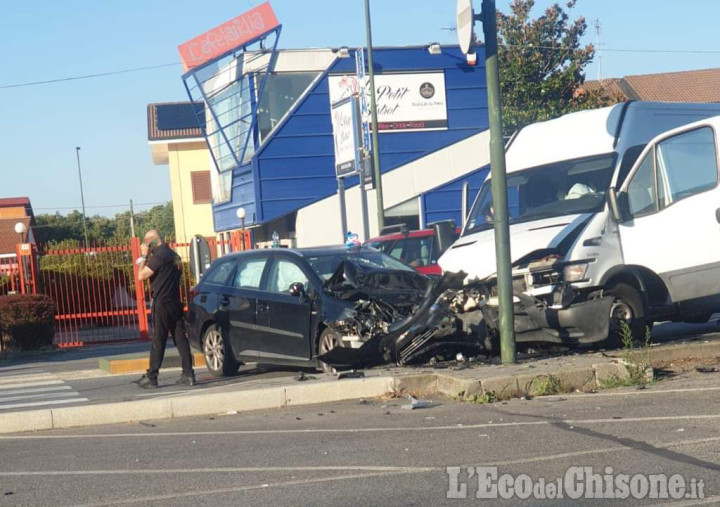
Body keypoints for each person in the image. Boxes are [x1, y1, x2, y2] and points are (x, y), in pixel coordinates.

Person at [133, 230, 195, 389]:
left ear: (151, 244)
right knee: (180, 338)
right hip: (175, 301)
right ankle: (188, 374)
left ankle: (152, 377)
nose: (146, 247)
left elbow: (141, 276)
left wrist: (144, 257)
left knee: (158, 340)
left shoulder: (158, 258)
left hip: (162, 303)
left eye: (147, 244)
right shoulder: (175, 256)